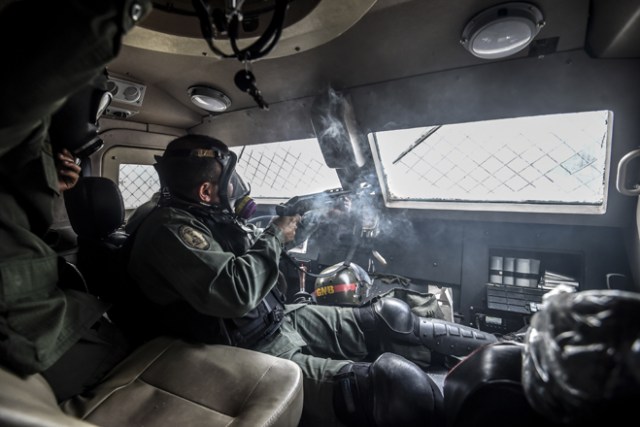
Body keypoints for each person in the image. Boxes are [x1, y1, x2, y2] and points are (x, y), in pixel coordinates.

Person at [127, 134, 497, 427]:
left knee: (391, 316)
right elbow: (235, 293)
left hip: (274, 320)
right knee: (397, 390)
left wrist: (307, 220)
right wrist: (275, 233)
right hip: (240, 348)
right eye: (229, 182)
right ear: (206, 191)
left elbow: (259, 254)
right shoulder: (170, 230)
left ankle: (505, 350)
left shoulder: (206, 217)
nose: (237, 190)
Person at [0, 0, 152, 401]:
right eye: (98, 102)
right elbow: (35, 68)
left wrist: (50, 178)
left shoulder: (25, 153)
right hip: (27, 329)